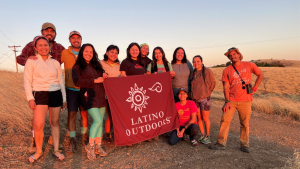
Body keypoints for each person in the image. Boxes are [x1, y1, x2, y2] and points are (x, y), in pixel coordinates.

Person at [16, 22, 65, 151]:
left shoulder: (60, 48)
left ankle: (53, 142)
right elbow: (20, 58)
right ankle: (35, 141)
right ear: (42, 32)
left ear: (55, 34)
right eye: (46, 31)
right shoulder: (32, 46)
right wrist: (31, 59)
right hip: (39, 89)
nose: (49, 33)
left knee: (54, 121)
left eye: (52, 31)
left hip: (54, 88)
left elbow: (68, 61)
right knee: (38, 121)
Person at [209, 47, 263, 153]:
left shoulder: (249, 65)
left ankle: (245, 144)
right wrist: (227, 101)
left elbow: (260, 74)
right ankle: (221, 143)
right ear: (229, 58)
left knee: (245, 123)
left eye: (234, 54)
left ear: (238, 54)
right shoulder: (227, 70)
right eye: (230, 56)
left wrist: (255, 87)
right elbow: (225, 87)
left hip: (246, 100)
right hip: (232, 100)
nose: (232, 57)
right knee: (225, 120)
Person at [24, 36, 67, 163]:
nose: (44, 47)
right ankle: (38, 151)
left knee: (55, 123)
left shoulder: (55, 63)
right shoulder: (31, 61)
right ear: (36, 48)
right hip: (39, 94)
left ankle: (56, 150)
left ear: (50, 47)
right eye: (40, 45)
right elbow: (27, 81)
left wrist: (64, 99)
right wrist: (30, 98)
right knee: (39, 124)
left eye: (46, 45)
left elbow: (61, 81)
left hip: (55, 94)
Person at [72, 44, 108, 160]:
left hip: (101, 96)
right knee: (97, 120)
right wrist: (94, 80)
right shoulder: (77, 67)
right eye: (86, 51)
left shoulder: (96, 65)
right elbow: (77, 82)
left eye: (91, 52)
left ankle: (98, 145)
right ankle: (90, 146)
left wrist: (104, 75)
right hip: (89, 97)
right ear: (82, 52)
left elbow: (103, 75)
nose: (89, 54)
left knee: (100, 122)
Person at [61, 31, 88, 152]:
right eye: (73, 38)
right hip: (70, 89)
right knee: (72, 114)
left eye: (78, 38)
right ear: (69, 40)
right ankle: (72, 139)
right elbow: (55, 65)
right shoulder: (64, 53)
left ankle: (84, 136)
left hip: (84, 88)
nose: (76, 40)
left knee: (84, 114)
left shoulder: (86, 52)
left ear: (81, 40)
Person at [146, 46, 175, 141]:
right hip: (154, 93)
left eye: (159, 53)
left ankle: (163, 130)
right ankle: (154, 133)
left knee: (164, 111)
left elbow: (171, 77)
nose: (158, 55)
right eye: (156, 53)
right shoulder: (152, 64)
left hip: (165, 92)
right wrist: (151, 77)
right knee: (154, 112)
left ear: (162, 53)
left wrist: (172, 75)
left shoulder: (167, 64)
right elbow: (146, 77)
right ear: (154, 55)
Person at [190, 55, 215, 144]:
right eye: (194, 62)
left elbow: (212, 83)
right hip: (195, 99)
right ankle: (202, 135)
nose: (196, 63)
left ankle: (208, 136)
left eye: (198, 61)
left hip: (205, 99)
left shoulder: (207, 71)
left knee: (205, 118)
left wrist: (207, 92)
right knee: (199, 118)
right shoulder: (193, 73)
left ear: (202, 62)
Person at [100, 45, 121, 143]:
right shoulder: (101, 63)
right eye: (112, 52)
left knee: (116, 115)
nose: (114, 54)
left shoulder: (119, 65)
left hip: (117, 95)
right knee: (110, 115)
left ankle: (117, 134)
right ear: (106, 53)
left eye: (116, 53)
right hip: (105, 94)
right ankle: (107, 135)